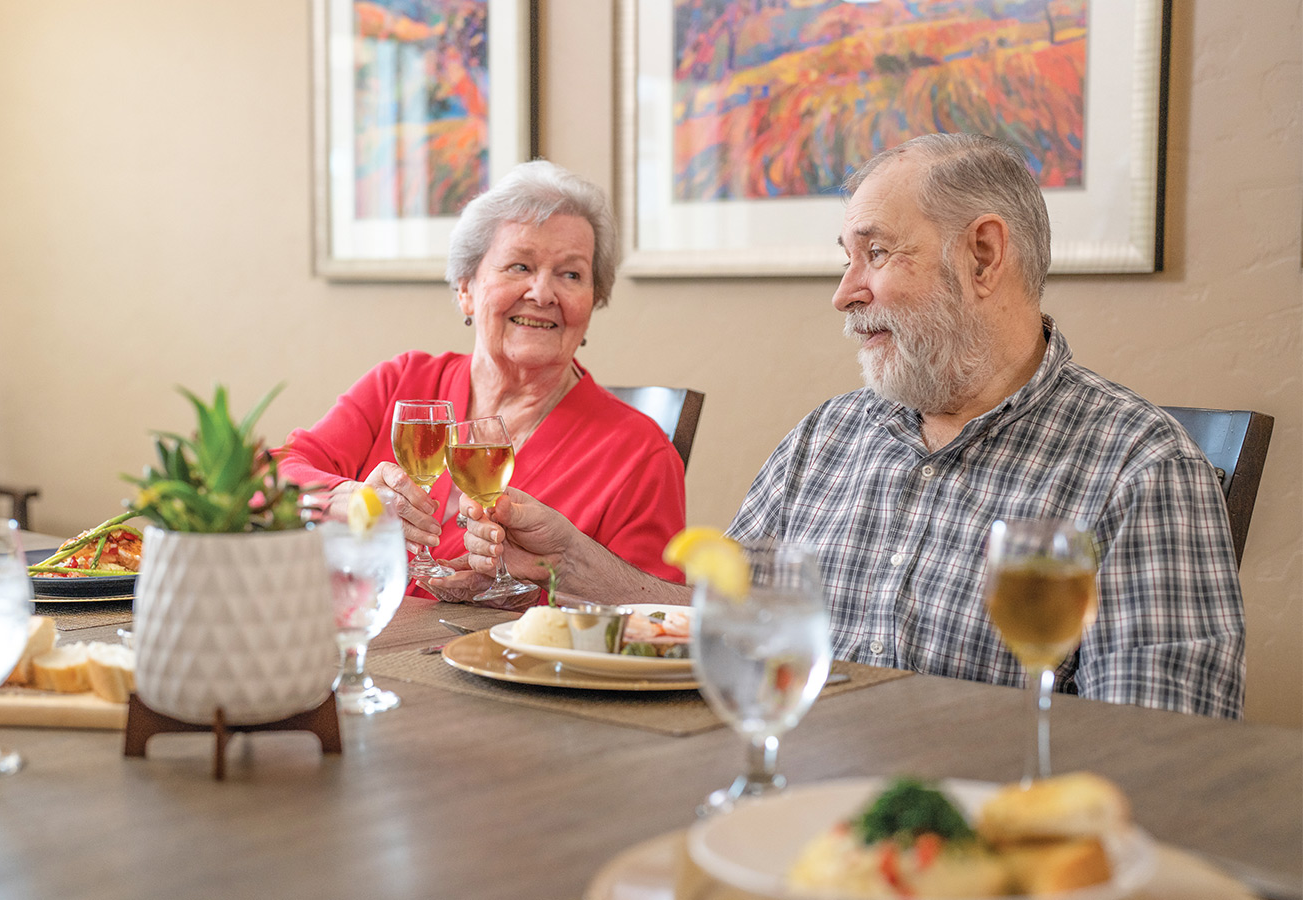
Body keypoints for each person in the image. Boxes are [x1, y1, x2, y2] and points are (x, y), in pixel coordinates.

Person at [443, 133, 1246, 718]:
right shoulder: (825, 438)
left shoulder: (1142, 470)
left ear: (985, 257)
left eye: (876, 253)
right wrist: (578, 567)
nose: (844, 291)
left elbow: (1165, 754)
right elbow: (720, 636)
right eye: (845, 257)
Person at [278, 159, 686, 596]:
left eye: (571, 274)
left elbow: (655, 621)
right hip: (352, 647)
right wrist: (345, 501)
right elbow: (277, 476)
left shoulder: (639, 454)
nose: (543, 294)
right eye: (519, 266)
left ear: (593, 302)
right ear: (466, 288)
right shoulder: (404, 384)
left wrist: (541, 585)